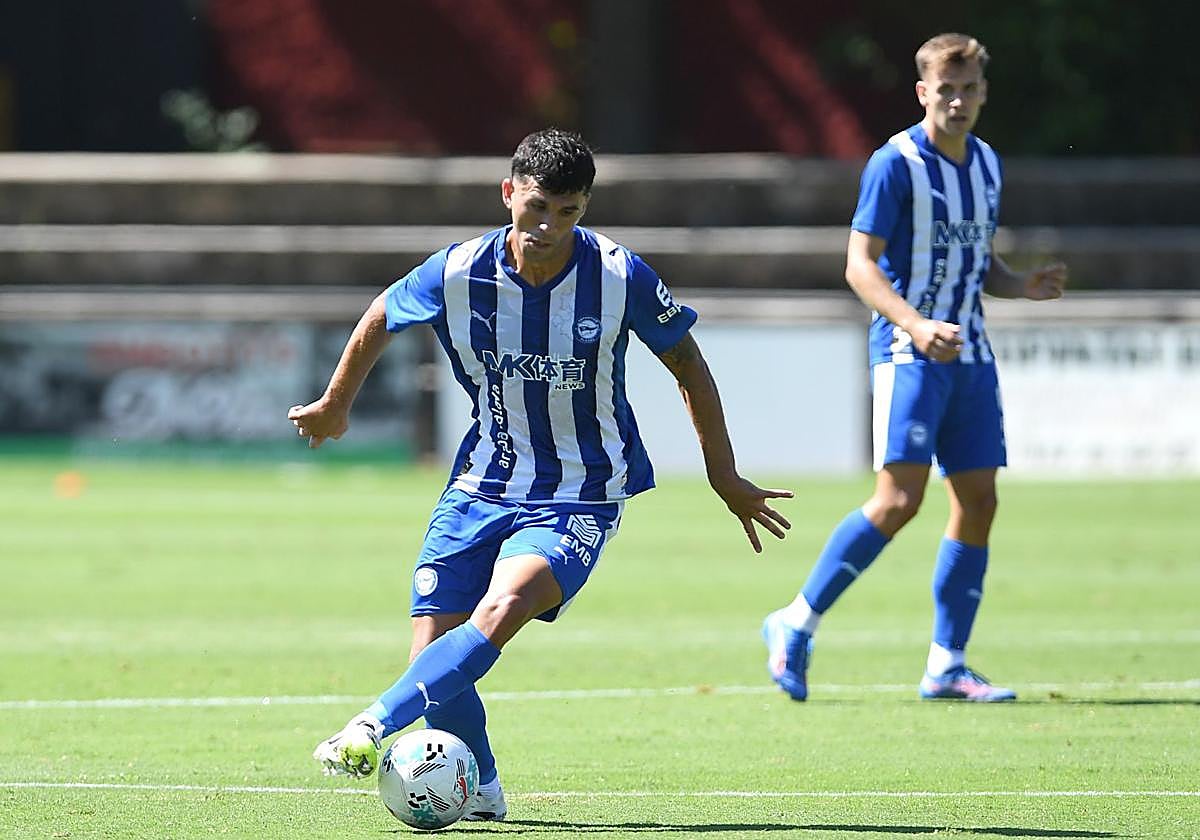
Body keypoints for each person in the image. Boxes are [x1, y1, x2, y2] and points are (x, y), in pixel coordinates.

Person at [289, 128, 792, 819]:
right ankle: (482, 790)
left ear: (584, 208)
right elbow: (383, 313)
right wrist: (335, 403)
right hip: (481, 482)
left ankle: (370, 725)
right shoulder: (458, 272)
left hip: (582, 493)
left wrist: (723, 474)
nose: (549, 225)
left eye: (568, 211)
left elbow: (688, 365)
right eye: (537, 206)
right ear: (508, 194)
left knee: (503, 607)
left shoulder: (618, 277)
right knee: (433, 652)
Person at [762, 33, 1066, 704]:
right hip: (908, 353)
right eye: (945, 89)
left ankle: (947, 664)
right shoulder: (894, 164)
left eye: (969, 89)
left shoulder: (987, 164)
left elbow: (979, 262)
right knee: (899, 500)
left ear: (983, 94)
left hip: (971, 355)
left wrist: (1020, 286)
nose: (958, 101)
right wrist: (916, 324)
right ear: (923, 92)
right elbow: (859, 265)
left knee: (979, 502)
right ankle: (795, 620)